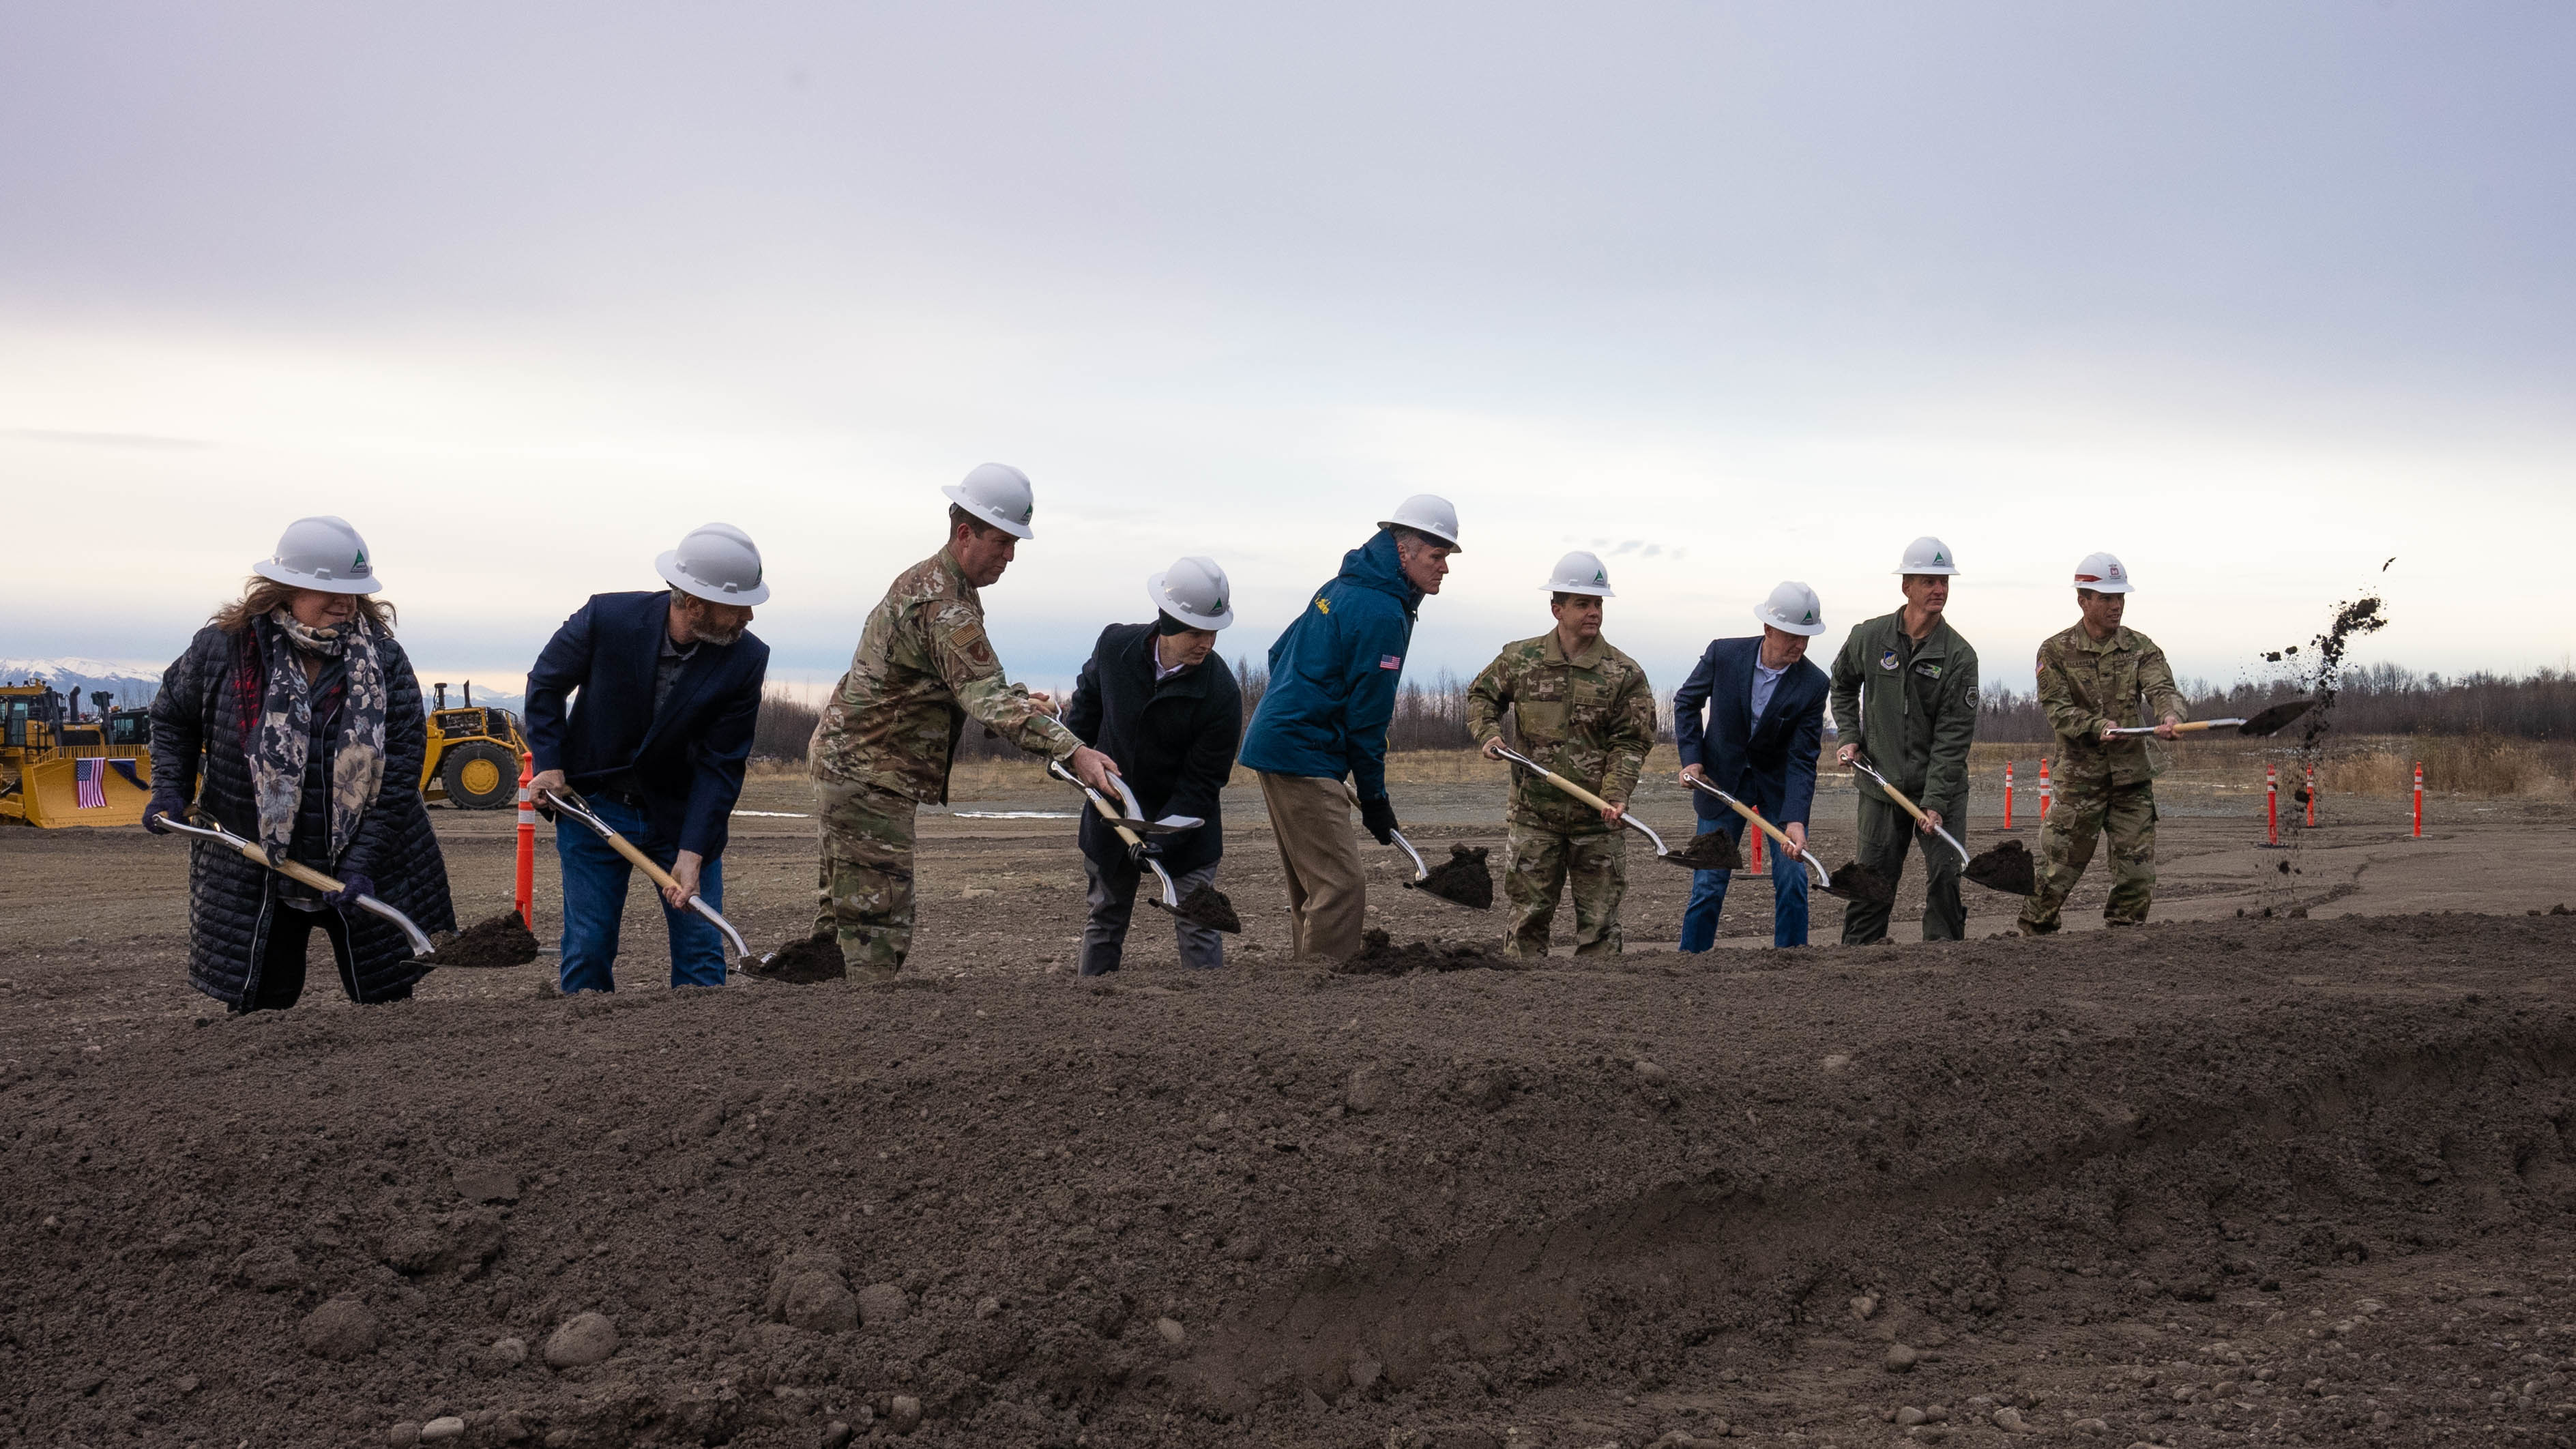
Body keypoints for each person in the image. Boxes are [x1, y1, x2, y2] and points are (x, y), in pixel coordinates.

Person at [808, 464, 1121, 978]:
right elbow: (985, 699)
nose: (1009, 556)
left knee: (841, 923)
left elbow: (969, 687)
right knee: (875, 925)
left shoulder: (943, 586)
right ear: (964, 533)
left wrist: (1020, 701)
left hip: (856, 767)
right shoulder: (945, 605)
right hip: (866, 775)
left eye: (1015, 544)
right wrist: (1074, 750)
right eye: (1001, 542)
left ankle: (826, 1021)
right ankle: (858, 1034)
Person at [144, 516, 455, 1012]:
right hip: (254, 862)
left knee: (386, 1007)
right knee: (262, 1009)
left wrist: (362, 861)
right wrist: (170, 789)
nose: (344, 603)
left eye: (354, 592)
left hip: (365, 866)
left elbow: (398, 774)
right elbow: (171, 719)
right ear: (284, 589)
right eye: (326, 590)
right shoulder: (225, 651)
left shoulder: (384, 661)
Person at [523, 524, 771, 993]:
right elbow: (546, 683)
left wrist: (694, 851)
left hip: (681, 817)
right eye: (738, 607)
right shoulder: (607, 617)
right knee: (588, 948)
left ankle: (699, 1053)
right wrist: (550, 762)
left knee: (701, 953)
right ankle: (586, 1050)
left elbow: (722, 763)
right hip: (593, 806)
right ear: (694, 604)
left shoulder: (745, 660)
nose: (749, 618)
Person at [1238, 495, 1461, 960]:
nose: (1445, 569)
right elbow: (1368, 719)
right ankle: (1323, 993)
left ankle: (1307, 983)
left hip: (1279, 743)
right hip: (1303, 754)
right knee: (1341, 885)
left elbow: (1279, 653)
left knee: (1313, 886)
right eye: (1438, 556)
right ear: (1405, 550)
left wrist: (1302, 709)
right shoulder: (1381, 611)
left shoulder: (1340, 587)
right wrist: (1375, 798)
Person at [1466, 551, 1655, 958]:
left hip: (1598, 823)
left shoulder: (1624, 673)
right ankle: (1524, 1014)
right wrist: (1489, 734)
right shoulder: (1521, 659)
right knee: (1527, 925)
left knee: (1602, 932)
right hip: (1535, 818)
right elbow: (1481, 695)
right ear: (1557, 609)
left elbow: (1632, 740)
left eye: (1599, 603)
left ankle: (1598, 1012)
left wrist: (1616, 792)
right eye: (1583, 603)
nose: (1594, 612)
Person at [1063, 557, 1243, 976]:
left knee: (1199, 924)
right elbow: (1086, 708)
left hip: (1185, 827)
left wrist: (1162, 839)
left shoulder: (1221, 693)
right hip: (1112, 816)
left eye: (1213, 633)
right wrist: (1073, 753)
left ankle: (1210, 1016)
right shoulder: (1114, 648)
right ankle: (1092, 1008)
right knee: (1105, 918)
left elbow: (1204, 781)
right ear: (1168, 621)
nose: (1206, 644)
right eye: (1196, 633)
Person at [2019, 553, 2184, 934]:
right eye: (2107, 598)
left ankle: (2123, 943)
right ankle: (2033, 934)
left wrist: (2170, 717)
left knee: (2136, 874)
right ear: (2084, 600)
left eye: (2120, 597)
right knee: (2059, 868)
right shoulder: (2056, 651)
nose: (2116, 606)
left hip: (2131, 780)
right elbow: (2057, 710)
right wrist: (2096, 726)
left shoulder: (2140, 647)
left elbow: (2162, 688)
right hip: (2080, 781)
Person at [1826, 536, 1980, 943]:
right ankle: (1857, 961)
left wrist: (1935, 802)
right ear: (1906, 586)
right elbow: (1841, 684)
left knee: (1946, 877)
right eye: (1929, 581)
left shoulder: (1959, 656)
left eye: (1944, 581)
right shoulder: (1871, 637)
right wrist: (1848, 734)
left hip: (1942, 790)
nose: (1940, 590)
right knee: (1872, 881)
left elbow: (1953, 739)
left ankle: (1943, 961)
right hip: (1882, 786)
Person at [1673, 581, 1831, 950]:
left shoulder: (1813, 684)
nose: (1801, 645)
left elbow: (1803, 758)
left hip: (1777, 790)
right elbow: (1686, 703)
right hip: (1720, 783)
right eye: (1793, 635)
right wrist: (1692, 761)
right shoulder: (1724, 655)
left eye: (1807, 637)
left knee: (1792, 879)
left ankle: (1791, 964)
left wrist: (1795, 818)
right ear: (1769, 628)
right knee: (1709, 881)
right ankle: (1690, 964)